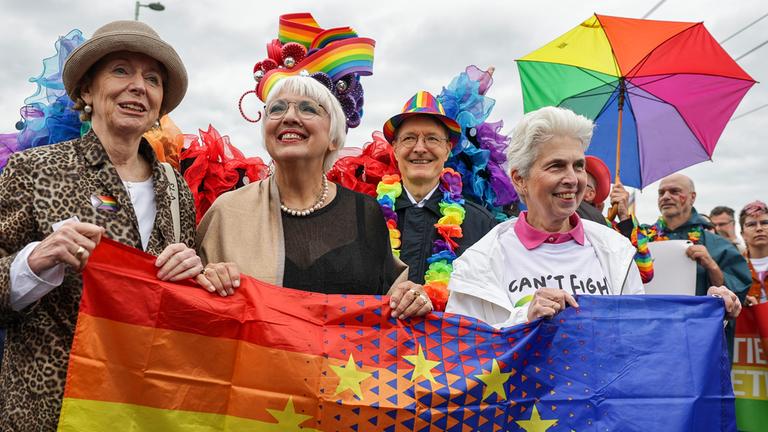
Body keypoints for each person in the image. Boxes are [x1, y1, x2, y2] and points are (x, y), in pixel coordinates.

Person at [0, 21, 202, 429]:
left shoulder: (176, 188)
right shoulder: (35, 170)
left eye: (152, 79)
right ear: (87, 91)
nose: (138, 86)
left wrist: (202, 273)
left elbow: (183, 313)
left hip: (141, 414)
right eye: (121, 70)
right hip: (50, 413)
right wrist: (33, 262)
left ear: (160, 103)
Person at [197, 76, 432, 319]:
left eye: (308, 108)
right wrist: (206, 279)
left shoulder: (365, 212)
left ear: (333, 138)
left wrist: (412, 298)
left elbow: (394, 301)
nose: (289, 117)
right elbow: (192, 310)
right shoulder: (228, 212)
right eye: (276, 109)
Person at [444, 106, 647, 327]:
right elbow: (464, 349)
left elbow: (637, 336)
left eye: (578, 166)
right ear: (520, 179)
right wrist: (525, 319)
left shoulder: (617, 252)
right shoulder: (479, 262)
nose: (572, 178)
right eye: (556, 166)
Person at [379, 91, 497, 310]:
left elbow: (490, 300)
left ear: (447, 149)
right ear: (394, 149)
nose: (420, 148)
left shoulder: (482, 224)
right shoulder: (366, 216)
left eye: (432, 138)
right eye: (409, 138)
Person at [638, 173, 748, 356]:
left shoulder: (717, 244)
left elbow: (737, 297)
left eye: (674, 191)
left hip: (699, 344)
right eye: (661, 192)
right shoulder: (643, 241)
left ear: (692, 197)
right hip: (652, 341)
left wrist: (711, 265)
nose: (666, 196)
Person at [739, 201, 768, 306]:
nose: (759, 228)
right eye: (751, 224)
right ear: (742, 234)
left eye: (765, 223)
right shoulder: (734, 267)